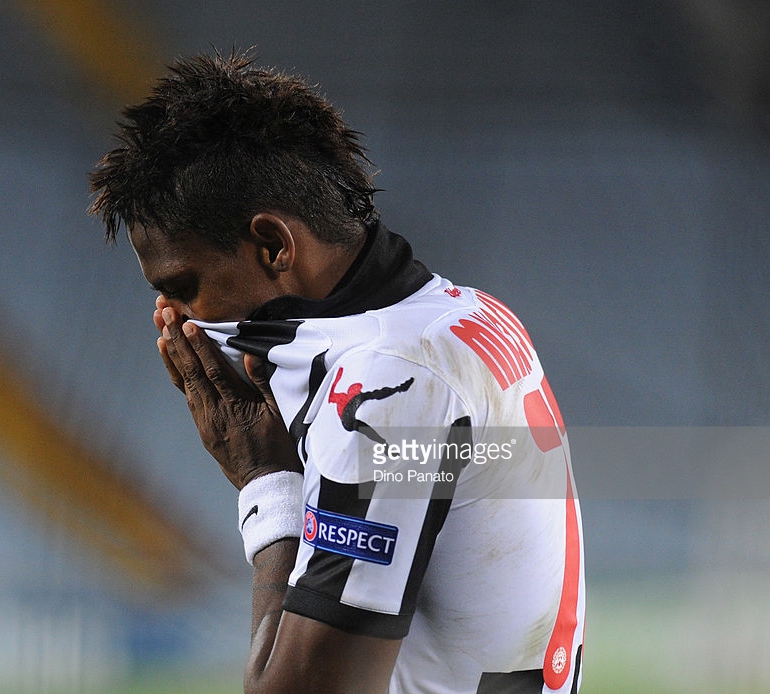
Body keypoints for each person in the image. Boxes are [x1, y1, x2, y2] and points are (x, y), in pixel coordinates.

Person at [90, 51, 585, 694]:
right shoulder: (468, 314)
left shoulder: (388, 387)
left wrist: (266, 484)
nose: (176, 318)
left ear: (274, 245)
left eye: (186, 287)